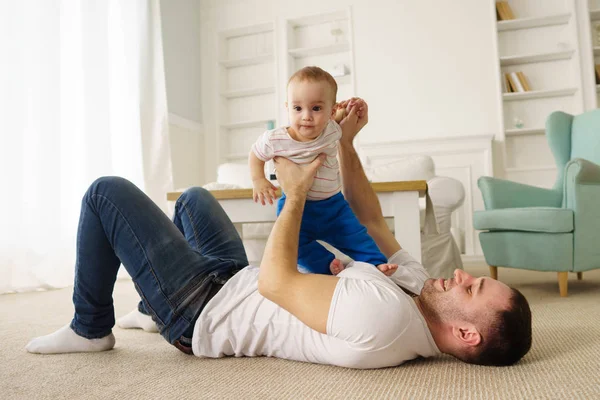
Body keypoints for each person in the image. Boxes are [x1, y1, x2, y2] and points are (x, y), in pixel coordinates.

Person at [26, 99, 532, 367]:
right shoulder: (417, 286)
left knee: (104, 192)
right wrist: (347, 142)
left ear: (467, 335)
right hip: (233, 279)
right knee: (196, 198)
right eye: (474, 277)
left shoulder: (384, 320)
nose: (463, 274)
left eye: (473, 289)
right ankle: (147, 311)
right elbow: (371, 217)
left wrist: (293, 194)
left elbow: (275, 283)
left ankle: (90, 328)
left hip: (204, 313)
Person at [249, 66, 396, 277]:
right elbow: (255, 154)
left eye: (316, 108)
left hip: (333, 206)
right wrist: (258, 179)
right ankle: (327, 265)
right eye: (297, 108)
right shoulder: (275, 139)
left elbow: (344, 118)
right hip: (296, 206)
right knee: (294, 246)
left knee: (356, 236)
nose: (306, 116)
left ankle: (376, 265)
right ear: (287, 107)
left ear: (330, 111)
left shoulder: (332, 130)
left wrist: (354, 107)